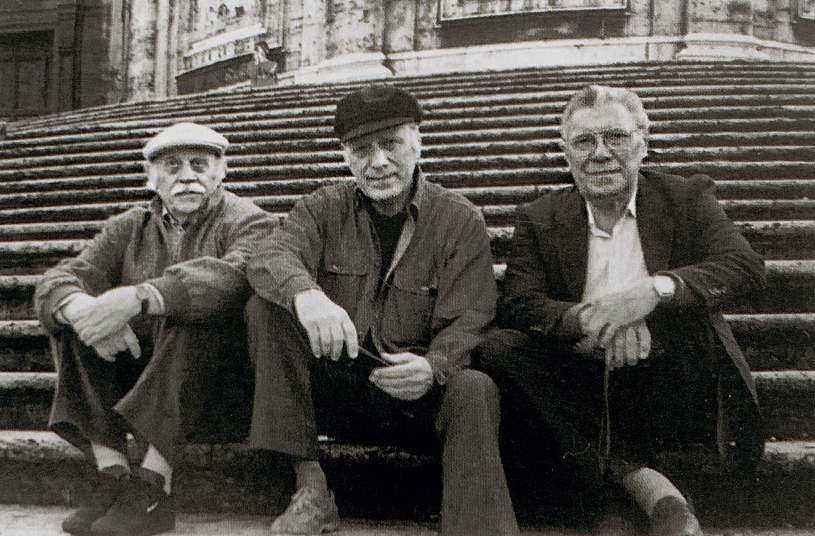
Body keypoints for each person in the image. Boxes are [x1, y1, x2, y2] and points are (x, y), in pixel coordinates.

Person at [475, 85, 766, 536]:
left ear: (643, 142)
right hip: (584, 378)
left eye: (615, 137)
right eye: (584, 141)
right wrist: (591, 320)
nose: (600, 153)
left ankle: (616, 500)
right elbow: (519, 303)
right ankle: (653, 492)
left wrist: (654, 292)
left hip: (668, 376)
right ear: (566, 152)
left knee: (697, 322)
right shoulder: (539, 215)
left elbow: (744, 266)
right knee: (497, 348)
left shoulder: (686, 197)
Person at [245, 84, 519, 535]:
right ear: (346, 156)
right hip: (336, 386)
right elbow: (269, 254)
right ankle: (311, 489)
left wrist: (434, 367)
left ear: (417, 141)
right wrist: (306, 295)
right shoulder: (322, 207)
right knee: (265, 307)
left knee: (475, 386)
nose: (378, 162)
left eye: (391, 143)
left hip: (416, 396)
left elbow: (472, 317)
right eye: (361, 150)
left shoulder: (459, 219)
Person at [34, 122, 276, 536]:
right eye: (172, 166)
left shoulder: (250, 221)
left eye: (199, 164)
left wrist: (139, 297)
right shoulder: (129, 226)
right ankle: (113, 474)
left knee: (191, 313)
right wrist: (87, 313)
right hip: (148, 376)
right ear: (151, 177)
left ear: (222, 171)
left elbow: (234, 276)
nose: (187, 176)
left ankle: (153, 484)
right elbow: (60, 278)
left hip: (219, 388)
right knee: (75, 317)